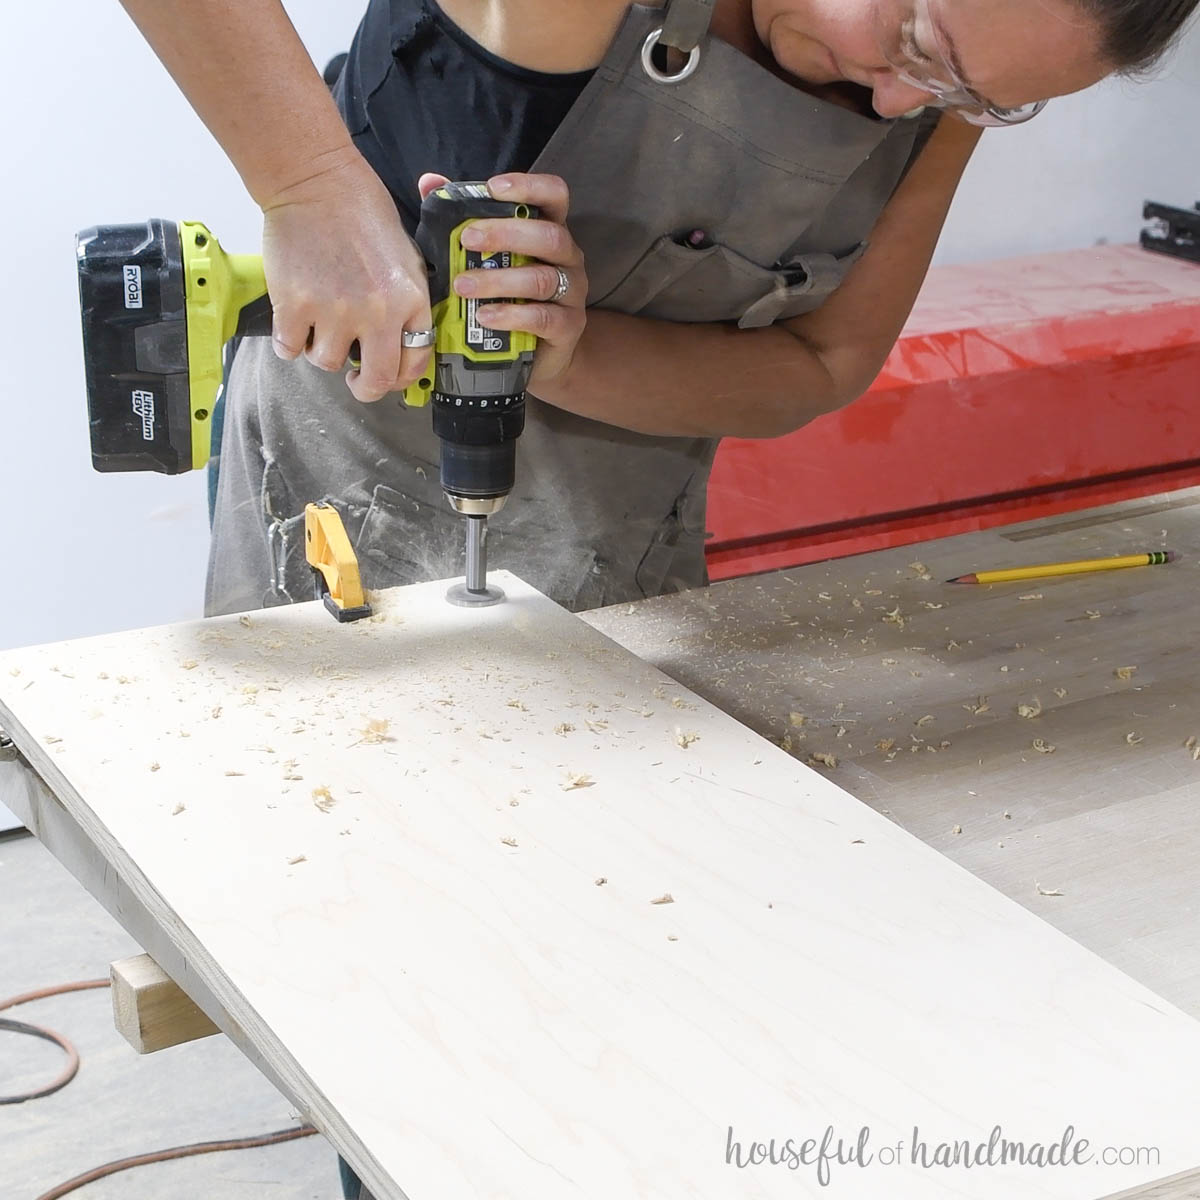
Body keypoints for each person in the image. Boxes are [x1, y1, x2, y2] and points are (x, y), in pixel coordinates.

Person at [116, 0, 1196, 1192]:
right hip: (354, 476)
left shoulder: (950, 62)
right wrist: (310, 186)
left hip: (626, 530)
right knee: (414, 989)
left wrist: (580, 352)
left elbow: (823, 362)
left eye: (972, 99)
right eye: (922, 54)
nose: (902, 104)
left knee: (606, 966)